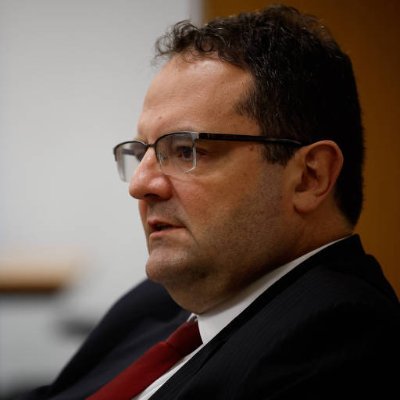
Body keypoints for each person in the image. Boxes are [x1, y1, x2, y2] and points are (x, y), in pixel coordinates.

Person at [20, 4, 400, 400]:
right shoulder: (157, 303)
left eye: (186, 150)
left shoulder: (343, 344)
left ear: (309, 177)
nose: (141, 184)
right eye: (142, 152)